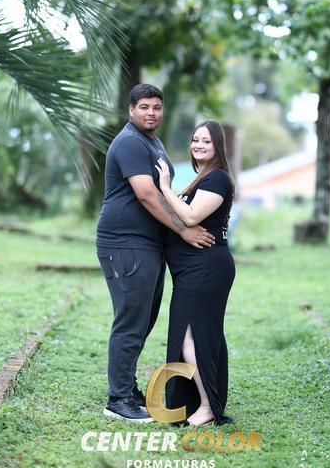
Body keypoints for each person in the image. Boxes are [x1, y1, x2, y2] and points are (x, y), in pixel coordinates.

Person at [96, 84, 215, 422]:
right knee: (131, 321)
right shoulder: (130, 142)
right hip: (125, 242)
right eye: (144, 107)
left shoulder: (152, 142)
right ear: (131, 109)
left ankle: (126, 387)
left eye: (157, 107)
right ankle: (118, 400)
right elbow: (147, 195)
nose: (151, 113)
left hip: (147, 243)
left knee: (143, 320)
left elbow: (164, 191)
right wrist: (183, 229)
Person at [156, 120, 236, 426]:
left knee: (190, 335)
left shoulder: (218, 178)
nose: (198, 145)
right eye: (195, 140)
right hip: (192, 270)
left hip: (206, 269)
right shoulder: (202, 179)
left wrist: (165, 188)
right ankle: (201, 401)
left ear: (218, 146)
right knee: (202, 333)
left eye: (206, 141)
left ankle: (207, 406)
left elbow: (190, 216)